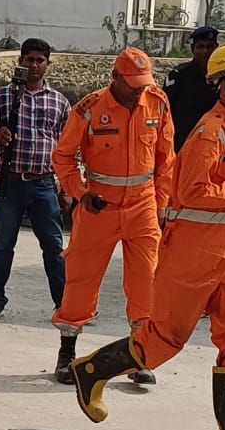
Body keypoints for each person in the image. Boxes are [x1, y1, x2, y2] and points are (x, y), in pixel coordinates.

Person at [71, 41, 225, 430]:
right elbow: (194, 191)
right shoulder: (211, 131)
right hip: (192, 257)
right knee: (162, 341)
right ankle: (91, 371)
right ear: (224, 86)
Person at [51, 48, 174, 386]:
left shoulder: (158, 103)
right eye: (132, 84)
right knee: (81, 280)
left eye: (143, 83)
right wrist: (80, 194)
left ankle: (140, 356)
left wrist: (161, 205)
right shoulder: (90, 109)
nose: (139, 90)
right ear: (115, 78)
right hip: (99, 206)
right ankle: (67, 354)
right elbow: (62, 157)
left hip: (143, 206)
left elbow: (167, 161)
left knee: (146, 281)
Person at [0, 38, 69, 320]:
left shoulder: (59, 102)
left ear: (48, 65)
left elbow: (67, 147)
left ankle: (64, 302)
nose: (34, 65)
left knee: (53, 245)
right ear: (20, 62)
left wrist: (67, 188)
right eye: (29, 60)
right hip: (9, 182)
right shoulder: (3, 97)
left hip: (44, 183)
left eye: (40, 60)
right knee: (3, 243)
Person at [165, 25, 221, 151]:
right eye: (200, 47)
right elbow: (165, 108)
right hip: (183, 141)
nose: (205, 51)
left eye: (209, 47)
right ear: (192, 48)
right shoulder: (179, 75)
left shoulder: (223, 76)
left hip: (213, 140)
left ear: (216, 48)